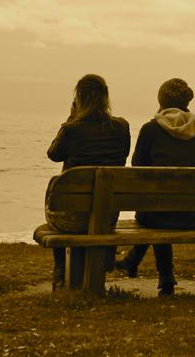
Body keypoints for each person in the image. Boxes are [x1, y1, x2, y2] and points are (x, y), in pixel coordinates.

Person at [115, 78, 195, 296]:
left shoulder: (151, 130)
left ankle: (160, 273)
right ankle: (138, 263)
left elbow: (138, 167)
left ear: (161, 100)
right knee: (163, 204)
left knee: (158, 206)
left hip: (157, 214)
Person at [46, 74, 130, 290]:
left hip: (71, 219)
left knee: (59, 204)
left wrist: (72, 118)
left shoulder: (72, 129)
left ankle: (60, 272)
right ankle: (102, 263)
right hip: (106, 215)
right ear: (106, 98)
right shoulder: (121, 127)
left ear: (79, 98)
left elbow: (54, 154)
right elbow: (121, 157)